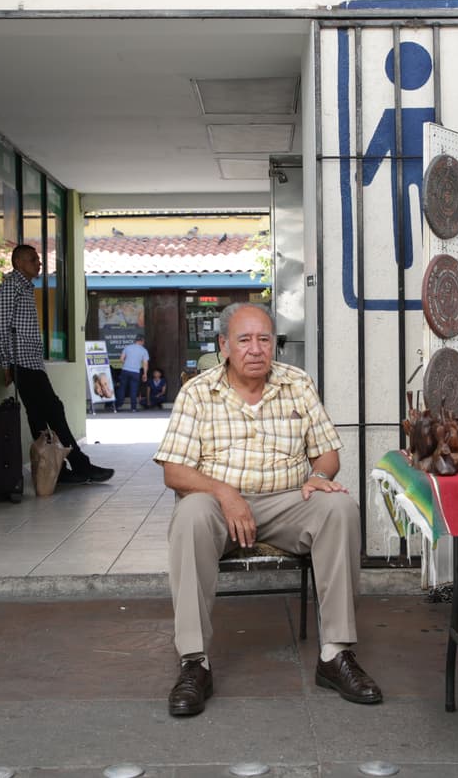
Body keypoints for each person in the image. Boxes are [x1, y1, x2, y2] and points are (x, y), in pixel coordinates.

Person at [154, 302, 381, 717]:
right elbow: (174, 471)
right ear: (224, 345)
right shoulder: (198, 392)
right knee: (189, 516)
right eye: (244, 340)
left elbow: (328, 454)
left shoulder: (297, 383)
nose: (256, 349)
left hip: (286, 501)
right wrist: (225, 493)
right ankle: (194, 662)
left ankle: (336, 654)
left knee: (340, 508)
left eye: (264, 339)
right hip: (218, 506)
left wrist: (318, 475)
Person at [0, 244, 114, 492]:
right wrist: (5, 363)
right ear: (17, 262)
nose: (38, 264)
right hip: (21, 363)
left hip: (32, 361)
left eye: (38, 260)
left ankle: (55, 469)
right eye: (31, 260)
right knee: (53, 410)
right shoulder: (10, 287)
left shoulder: (26, 287)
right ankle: (79, 465)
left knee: (40, 416)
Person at [118, 334, 150, 412]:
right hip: (135, 372)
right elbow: (145, 363)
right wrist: (145, 374)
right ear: (142, 341)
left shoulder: (127, 347)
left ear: (135, 340)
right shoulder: (143, 350)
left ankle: (118, 405)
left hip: (125, 370)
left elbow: (121, 359)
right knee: (133, 389)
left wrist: (127, 363)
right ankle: (133, 408)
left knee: (122, 388)